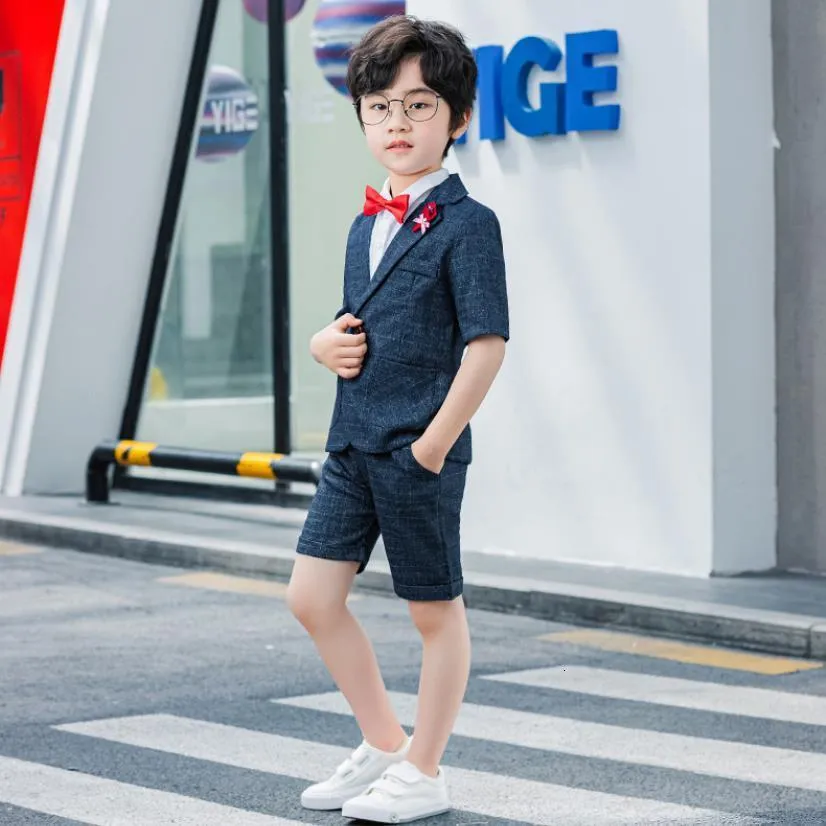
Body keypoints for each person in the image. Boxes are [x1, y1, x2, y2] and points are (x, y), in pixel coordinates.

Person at [286, 14, 509, 824]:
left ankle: (425, 768)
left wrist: (433, 445)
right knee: (311, 598)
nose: (397, 124)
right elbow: (359, 327)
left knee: (432, 611)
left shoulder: (469, 225)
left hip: (418, 446)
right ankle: (384, 745)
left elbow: (486, 346)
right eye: (380, 107)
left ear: (456, 116)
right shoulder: (362, 224)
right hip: (353, 442)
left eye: (418, 107)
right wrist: (321, 342)